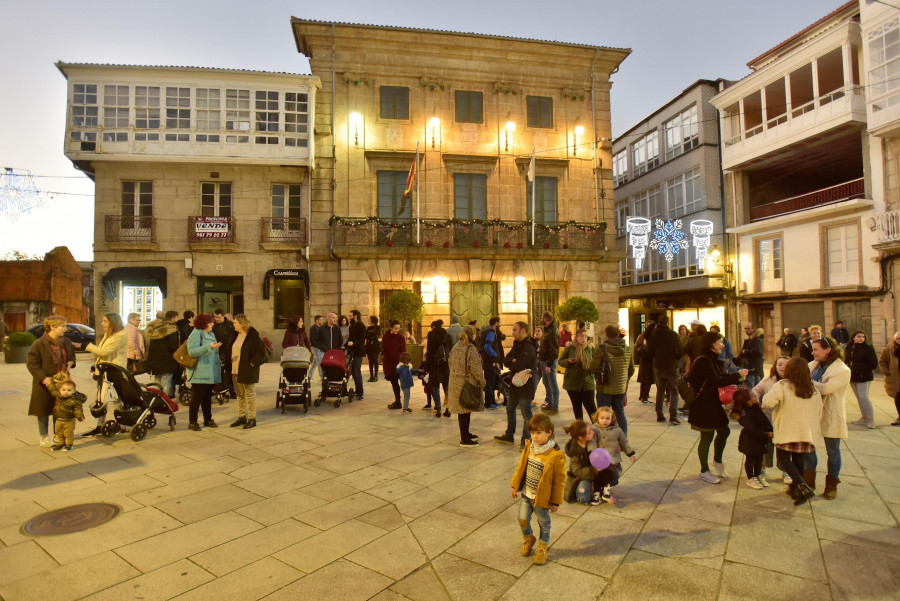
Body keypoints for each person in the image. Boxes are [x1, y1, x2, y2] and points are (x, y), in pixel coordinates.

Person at [688, 331, 749, 484]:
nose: (722, 345)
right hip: (703, 404)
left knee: (724, 430)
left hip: (712, 402)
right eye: (719, 342)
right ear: (711, 344)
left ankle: (717, 462)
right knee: (707, 436)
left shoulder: (712, 358)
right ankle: (704, 470)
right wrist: (738, 376)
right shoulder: (704, 360)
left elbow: (718, 378)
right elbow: (716, 381)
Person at [761, 357, 823, 505]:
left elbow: (767, 402)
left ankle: (802, 486)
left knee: (783, 459)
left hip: (787, 430)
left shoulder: (783, 385)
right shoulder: (813, 389)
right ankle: (795, 489)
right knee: (798, 460)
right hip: (805, 432)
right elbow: (819, 410)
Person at [509, 413, 565, 566]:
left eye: (539, 433)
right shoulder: (529, 447)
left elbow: (559, 482)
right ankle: (529, 538)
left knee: (544, 523)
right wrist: (515, 485)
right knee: (522, 519)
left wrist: (555, 502)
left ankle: (542, 547)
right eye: (533, 432)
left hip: (542, 498)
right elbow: (521, 468)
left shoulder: (555, 455)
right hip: (527, 495)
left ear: (549, 432)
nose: (535, 436)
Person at [805, 337, 850, 499]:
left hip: (831, 413)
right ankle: (808, 482)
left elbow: (825, 389)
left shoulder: (842, 370)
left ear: (828, 350)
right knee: (808, 448)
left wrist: (809, 381)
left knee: (833, 451)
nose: (812, 352)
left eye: (816, 349)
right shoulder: (812, 365)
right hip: (811, 413)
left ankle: (832, 485)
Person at [26, 315, 77, 446]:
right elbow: (32, 364)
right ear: (52, 327)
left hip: (62, 382)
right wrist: (44, 378)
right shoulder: (39, 344)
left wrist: (71, 363)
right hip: (45, 382)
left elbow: (71, 356)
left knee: (60, 409)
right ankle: (44, 436)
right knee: (42, 409)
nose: (65, 329)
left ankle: (57, 434)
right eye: (63, 326)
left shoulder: (66, 342)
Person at [82, 313, 128, 437]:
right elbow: (104, 355)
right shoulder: (109, 335)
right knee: (101, 400)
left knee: (115, 399)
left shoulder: (120, 335)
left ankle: (122, 424)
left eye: (105, 321)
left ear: (113, 322)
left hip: (114, 371)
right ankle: (99, 426)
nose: (102, 324)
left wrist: (86, 346)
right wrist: (95, 366)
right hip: (105, 371)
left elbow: (103, 351)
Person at [495, 321, 537, 448]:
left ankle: (526, 440)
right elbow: (506, 359)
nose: (512, 332)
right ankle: (509, 435)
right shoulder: (517, 344)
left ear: (522, 331)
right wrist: (513, 361)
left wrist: (514, 362)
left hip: (525, 385)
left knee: (526, 413)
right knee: (510, 408)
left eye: (514, 330)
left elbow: (519, 364)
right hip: (514, 384)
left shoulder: (529, 347)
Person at [752, 356, 790, 481]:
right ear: (775, 366)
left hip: (785, 421)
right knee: (765, 446)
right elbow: (757, 389)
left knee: (784, 448)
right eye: (779, 364)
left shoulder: (793, 381)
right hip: (768, 419)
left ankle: (786, 470)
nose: (782, 367)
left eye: (786, 364)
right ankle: (762, 468)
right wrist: (755, 397)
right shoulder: (768, 380)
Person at [447, 325, 486, 446]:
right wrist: (482, 381)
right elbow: (476, 369)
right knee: (465, 411)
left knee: (463, 410)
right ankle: (464, 438)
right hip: (466, 384)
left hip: (455, 383)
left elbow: (450, 363)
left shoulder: (456, 347)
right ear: (472, 335)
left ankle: (466, 433)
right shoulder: (471, 348)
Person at [589, 406, 636, 504]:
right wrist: (592, 453)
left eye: (607, 418)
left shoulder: (617, 430)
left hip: (612, 459)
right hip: (598, 459)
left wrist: (630, 454)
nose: (604, 421)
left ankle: (606, 489)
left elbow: (624, 442)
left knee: (610, 472)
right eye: (602, 418)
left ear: (612, 419)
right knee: (597, 475)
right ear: (597, 418)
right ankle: (597, 493)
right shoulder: (594, 429)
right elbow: (592, 443)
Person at [594, 325, 635, 434]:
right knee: (620, 413)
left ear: (606, 335)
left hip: (604, 388)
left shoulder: (602, 349)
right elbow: (631, 369)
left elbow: (592, 367)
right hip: (620, 389)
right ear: (618, 335)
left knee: (603, 415)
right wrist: (623, 380)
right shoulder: (627, 349)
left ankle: (604, 438)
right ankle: (623, 438)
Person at [229, 314, 267, 429]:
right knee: (239, 395)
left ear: (242, 324)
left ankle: (252, 418)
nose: (234, 324)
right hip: (235, 369)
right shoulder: (235, 335)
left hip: (248, 370)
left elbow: (261, 353)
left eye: (235, 323)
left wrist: (252, 364)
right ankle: (241, 416)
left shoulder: (252, 336)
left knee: (249, 394)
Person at [186, 313, 222, 431]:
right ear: (204, 323)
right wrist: (209, 347)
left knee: (207, 397)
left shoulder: (211, 333)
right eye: (210, 322)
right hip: (200, 372)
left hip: (210, 371)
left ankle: (208, 419)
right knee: (197, 398)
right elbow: (192, 351)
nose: (212, 323)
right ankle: (193, 421)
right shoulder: (196, 333)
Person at [731, 388, 773, 490]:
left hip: (760, 440)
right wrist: (766, 434)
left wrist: (770, 429)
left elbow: (765, 419)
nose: (756, 397)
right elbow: (752, 428)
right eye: (753, 396)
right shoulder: (744, 414)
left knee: (759, 458)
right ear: (748, 401)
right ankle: (750, 477)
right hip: (750, 441)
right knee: (750, 459)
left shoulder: (756, 407)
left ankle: (758, 474)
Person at [647, 315, 682, 424]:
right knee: (674, 391)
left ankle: (660, 415)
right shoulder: (673, 334)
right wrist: (675, 358)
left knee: (660, 391)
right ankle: (673, 416)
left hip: (658, 366)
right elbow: (680, 350)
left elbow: (650, 351)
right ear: (667, 323)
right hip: (671, 366)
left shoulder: (654, 335)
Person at [561, 328, 597, 422]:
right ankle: (580, 429)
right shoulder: (570, 347)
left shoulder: (591, 348)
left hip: (587, 382)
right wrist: (568, 361)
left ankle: (598, 428)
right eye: (581, 336)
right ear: (576, 337)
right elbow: (561, 361)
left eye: (585, 336)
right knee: (577, 407)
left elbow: (596, 362)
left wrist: (591, 367)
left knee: (591, 407)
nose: (584, 338)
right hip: (572, 382)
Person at [845, 330, 878, 429]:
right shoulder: (849, 347)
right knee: (859, 398)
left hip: (864, 376)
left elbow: (873, 363)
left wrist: (862, 371)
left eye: (863, 337)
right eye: (859, 336)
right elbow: (846, 360)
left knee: (864, 397)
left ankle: (871, 419)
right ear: (854, 337)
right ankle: (864, 417)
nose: (861, 338)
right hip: (852, 376)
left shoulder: (868, 348)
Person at [563, 419, 599, 505]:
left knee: (612, 474)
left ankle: (595, 486)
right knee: (583, 498)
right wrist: (594, 470)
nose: (593, 433)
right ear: (581, 437)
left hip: (593, 472)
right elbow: (577, 471)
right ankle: (588, 486)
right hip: (581, 476)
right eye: (589, 432)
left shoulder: (590, 443)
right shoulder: (575, 452)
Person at [146, 310, 180, 397]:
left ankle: (156, 399)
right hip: (167, 359)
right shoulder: (170, 330)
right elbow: (173, 346)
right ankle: (164, 400)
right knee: (166, 381)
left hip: (155, 358)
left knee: (157, 380)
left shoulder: (154, 329)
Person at [48, 379, 86, 451]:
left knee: (68, 433)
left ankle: (69, 444)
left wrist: (80, 417)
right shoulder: (58, 396)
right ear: (60, 390)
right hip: (59, 419)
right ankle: (60, 443)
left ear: (74, 391)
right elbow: (53, 390)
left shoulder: (75, 400)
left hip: (69, 420)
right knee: (58, 432)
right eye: (64, 390)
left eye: (69, 390)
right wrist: (49, 383)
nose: (66, 392)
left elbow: (78, 409)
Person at [424, 319, 451, 417]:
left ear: (434, 327)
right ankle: (448, 409)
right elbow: (450, 350)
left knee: (435, 387)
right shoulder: (447, 336)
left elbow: (430, 351)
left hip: (435, 364)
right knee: (446, 387)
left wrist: (426, 366)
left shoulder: (431, 335)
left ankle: (438, 408)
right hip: (445, 364)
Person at [538, 311, 561, 414]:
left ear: (546, 319)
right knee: (546, 383)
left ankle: (555, 407)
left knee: (553, 384)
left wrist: (549, 365)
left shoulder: (552, 331)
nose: (541, 319)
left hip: (548, 362)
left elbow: (554, 350)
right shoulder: (547, 330)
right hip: (544, 361)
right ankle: (550, 404)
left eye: (542, 317)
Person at [480, 317, 504, 410]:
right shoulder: (491, 332)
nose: (500, 323)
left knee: (491, 381)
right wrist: (495, 355)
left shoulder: (488, 331)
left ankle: (492, 401)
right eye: (500, 322)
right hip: (490, 361)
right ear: (496, 323)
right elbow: (487, 347)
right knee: (489, 382)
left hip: (488, 360)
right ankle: (489, 403)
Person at [382, 320, 407, 409]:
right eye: (395, 328)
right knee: (394, 382)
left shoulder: (400, 338)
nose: (397, 330)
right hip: (389, 363)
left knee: (399, 382)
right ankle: (397, 401)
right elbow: (384, 348)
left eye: (398, 328)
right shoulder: (385, 336)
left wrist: (404, 363)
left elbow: (404, 351)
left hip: (397, 364)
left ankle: (399, 402)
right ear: (391, 328)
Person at [878, 331, 900, 427]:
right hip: (895, 378)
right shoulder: (889, 348)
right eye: (898, 338)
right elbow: (882, 361)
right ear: (895, 339)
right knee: (898, 398)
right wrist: (886, 371)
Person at [212, 309, 236, 398]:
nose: (216, 319)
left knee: (230, 372)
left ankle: (232, 390)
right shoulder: (213, 326)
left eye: (218, 317)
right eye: (215, 317)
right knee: (220, 372)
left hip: (230, 352)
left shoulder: (230, 325)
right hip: (219, 352)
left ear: (223, 316)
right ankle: (221, 389)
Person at [634, 321, 656, 405]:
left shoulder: (644, 336)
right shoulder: (648, 337)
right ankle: (645, 397)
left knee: (645, 379)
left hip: (644, 361)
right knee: (648, 379)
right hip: (649, 361)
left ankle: (642, 396)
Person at [346, 310, 366, 401]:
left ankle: (360, 392)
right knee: (353, 372)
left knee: (357, 372)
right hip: (351, 352)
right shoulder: (351, 326)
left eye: (351, 316)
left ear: (356, 316)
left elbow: (362, 340)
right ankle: (357, 390)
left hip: (358, 352)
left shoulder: (361, 325)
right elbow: (350, 338)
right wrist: (345, 345)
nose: (349, 317)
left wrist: (353, 343)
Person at [740, 323, 764, 389]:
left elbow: (758, 352)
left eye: (748, 328)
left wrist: (746, 351)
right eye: (745, 328)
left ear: (753, 329)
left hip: (753, 367)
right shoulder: (750, 340)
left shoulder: (756, 340)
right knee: (756, 386)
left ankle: (754, 398)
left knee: (753, 387)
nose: (746, 330)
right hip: (750, 366)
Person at [365, 316, 381, 382]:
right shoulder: (368, 328)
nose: (368, 321)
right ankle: (371, 376)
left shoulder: (378, 327)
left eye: (369, 320)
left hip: (375, 346)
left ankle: (376, 375)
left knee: (375, 361)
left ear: (372, 321)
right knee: (370, 361)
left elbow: (376, 335)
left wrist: (370, 335)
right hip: (369, 346)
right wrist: (370, 335)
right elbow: (366, 336)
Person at [309, 315, 324, 379]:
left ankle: (310, 376)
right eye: (321, 320)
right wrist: (318, 346)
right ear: (317, 320)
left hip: (319, 348)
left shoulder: (319, 328)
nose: (322, 321)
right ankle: (322, 377)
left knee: (315, 363)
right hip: (316, 348)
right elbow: (312, 339)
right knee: (320, 363)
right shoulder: (313, 328)